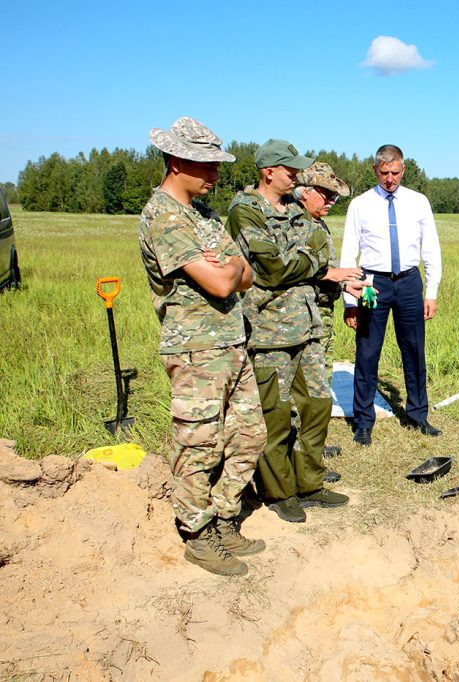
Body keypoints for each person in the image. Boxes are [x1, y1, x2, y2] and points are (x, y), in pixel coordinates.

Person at [139, 117, 266, 576]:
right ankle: (196, 532)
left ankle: (224, 515)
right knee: (199, 446)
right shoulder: (164, 218)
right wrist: (228, 268)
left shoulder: (203, 217)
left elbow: (248, 274)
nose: (215, 175)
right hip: (195, 351)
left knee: (250, 435)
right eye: (206, 166)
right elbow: (220, 281)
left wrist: (229, 266)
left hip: (232, 343)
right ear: (176, 162)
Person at [226, 140, 356, 524]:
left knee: (317, 406)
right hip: (268, 331)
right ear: (269, 172)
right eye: (290, 171)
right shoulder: (245, 210)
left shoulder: (298, 215)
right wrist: (316, 264)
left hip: (308, 324)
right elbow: (272, 268)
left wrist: (306, 262)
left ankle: (309, 483)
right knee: (276, 414)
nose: (297, 177)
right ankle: (281, 491)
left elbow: (303, 255)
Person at [340, 144, 443, 446]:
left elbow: (431, 249)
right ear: (375, 170)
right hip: (373, 285)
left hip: (410, 284)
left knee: (413, 350)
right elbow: (349, 251)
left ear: (403, 169)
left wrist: (431, 291)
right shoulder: (360, 204)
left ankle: (418, 415)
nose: (389, 179)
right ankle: (363, 422)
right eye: (384, 173)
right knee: (368, 352)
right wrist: (350, 300)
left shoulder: (418, 202)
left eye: (395, 173)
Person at [294, 161, 353, 358]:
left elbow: (327, 266)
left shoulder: (317, 222)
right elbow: (291, 268)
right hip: (305, 315)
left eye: (334, 197)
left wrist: (345, 284)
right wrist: (332, 275)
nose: (332, 201)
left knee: (323, 376)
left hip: (323, 311)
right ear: (305, 192)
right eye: (327, 195)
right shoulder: (293, 223)